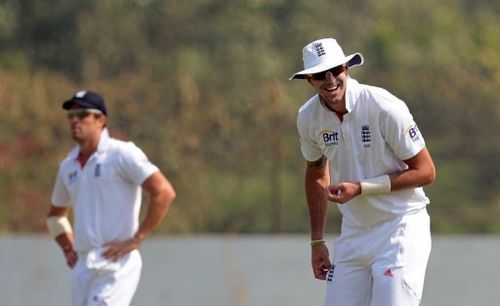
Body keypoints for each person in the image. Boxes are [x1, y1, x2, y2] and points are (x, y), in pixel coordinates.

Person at [290, 38, 436, 306]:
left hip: (400, 227)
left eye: (336, 70)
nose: (330, 79)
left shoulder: (383, 106)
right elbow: (315, 172)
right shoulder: (308, 117)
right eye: (321, 74)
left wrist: (362, 187)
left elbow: (426, 171)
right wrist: (317, 241)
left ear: (347, 68)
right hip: (354, 233)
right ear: (309, 80)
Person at [46, 90, 176, 306]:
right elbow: (55, 217)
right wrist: (68, 248)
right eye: (71, 115)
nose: (74, 120)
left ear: (101, 120)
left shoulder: (122, 154)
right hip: (83, 266)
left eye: (83, 114)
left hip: (116, 262)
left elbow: (163, 192)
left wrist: (137, 239)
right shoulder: (68, 166)